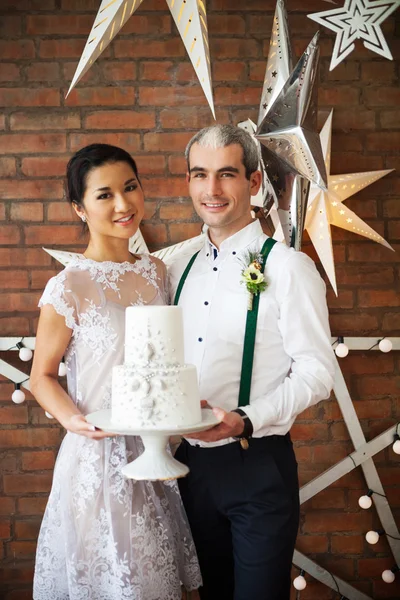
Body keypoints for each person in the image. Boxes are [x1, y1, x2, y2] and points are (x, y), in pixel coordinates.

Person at [168, 125, 336, 600]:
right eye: (200, 175)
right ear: (188, 182)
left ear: (254, 181)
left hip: (256, 465)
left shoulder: (288, 267)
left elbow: (316, 373)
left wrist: (245, 420)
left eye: (227, 174)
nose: (212, 190)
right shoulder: (177, 267)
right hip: (188, 469)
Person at [30, 143, 201, 600]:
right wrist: (75, 422)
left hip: (157, 450)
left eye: (130, 187)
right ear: (79, 208)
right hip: (97, 457)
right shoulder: (70, 283)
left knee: (154, 581)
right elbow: (41, 376)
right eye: (104, 195)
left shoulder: (158, 273)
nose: (123, 205)